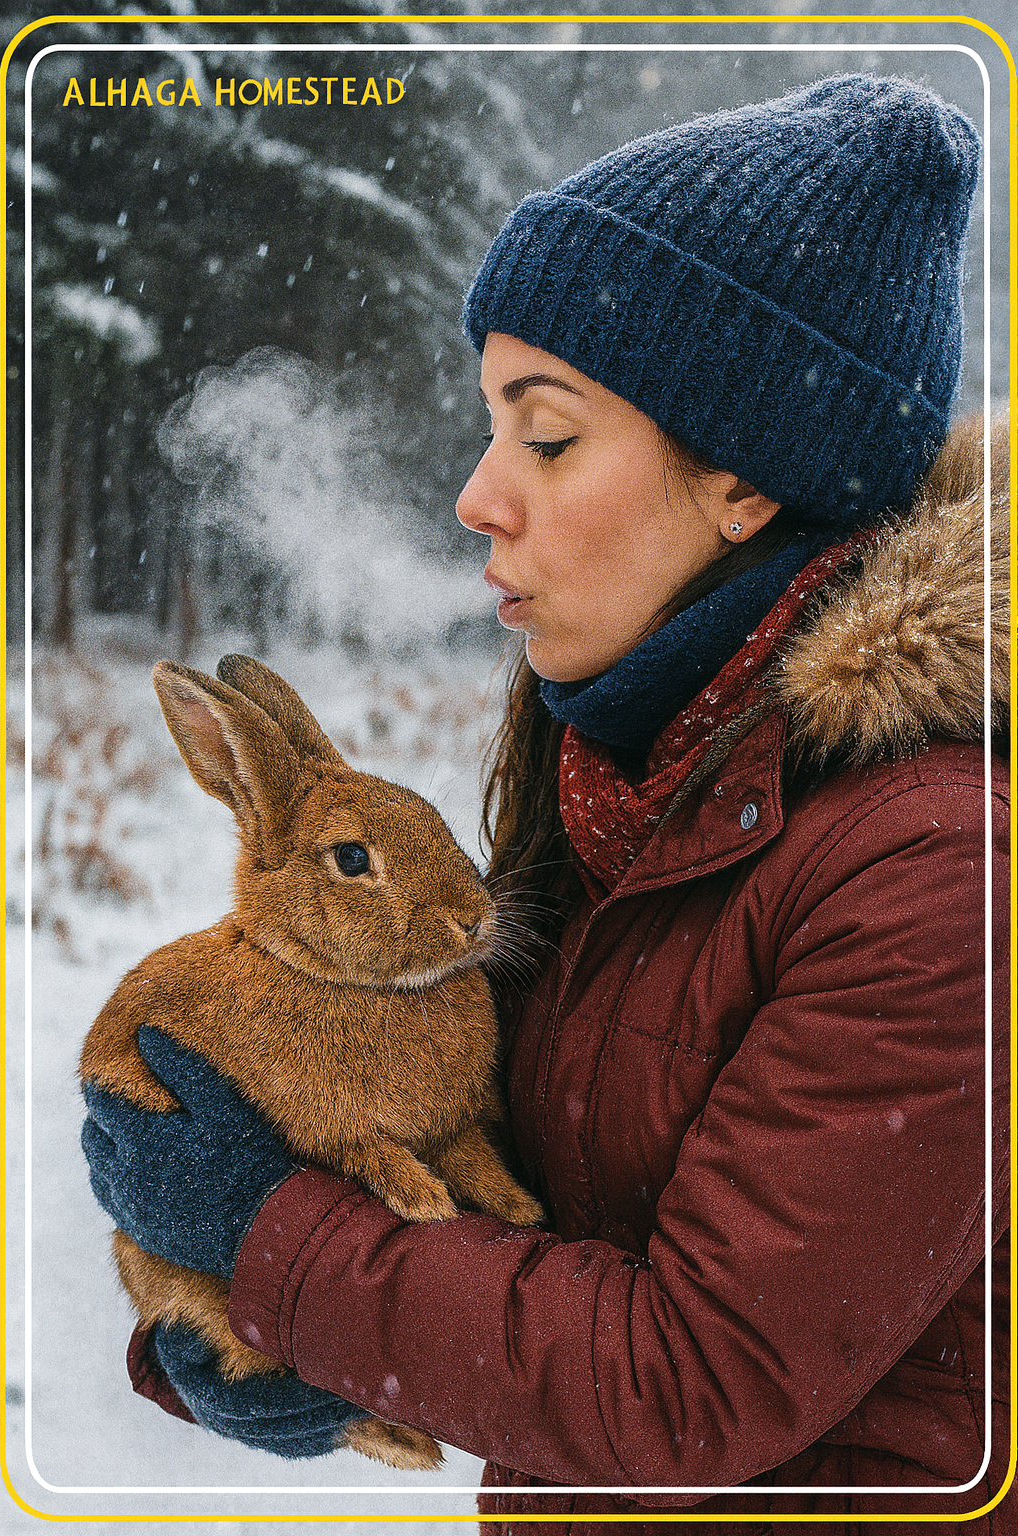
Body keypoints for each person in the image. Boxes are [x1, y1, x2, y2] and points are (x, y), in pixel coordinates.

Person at [82, 73, 1010, 1529]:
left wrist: (278, 1244)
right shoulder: (632, 764)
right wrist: (241, 1313)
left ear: (744, 486)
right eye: (487, 425)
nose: (477, 495)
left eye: (549, 435)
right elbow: (528, 1205)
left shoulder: (936, 870)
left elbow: (691, 1384)